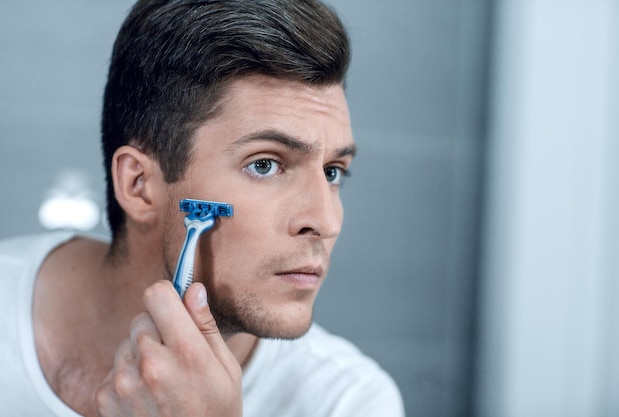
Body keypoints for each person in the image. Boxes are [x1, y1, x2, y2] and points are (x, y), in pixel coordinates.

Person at [0, 0, 405, 416]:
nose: (326, 221)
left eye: (334, 172)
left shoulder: (347, 401)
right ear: (139, 186)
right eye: (265, 165)